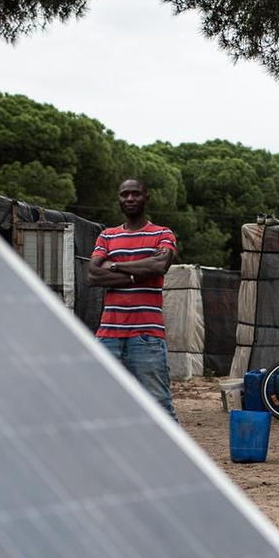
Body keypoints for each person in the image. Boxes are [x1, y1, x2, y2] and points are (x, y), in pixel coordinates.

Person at [88, 178, 177, 418]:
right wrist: (138, 274)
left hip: (146, 337)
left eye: (135, 194)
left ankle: (169, 455)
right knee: (99, 404)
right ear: (118, 198)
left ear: (146, 198)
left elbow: (160, 265)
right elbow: (93, 275)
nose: (129, 198)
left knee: (159, 406)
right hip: (108, 336)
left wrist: (114, 266)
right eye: (124, 194)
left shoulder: (162, 233)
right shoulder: (107, 235)